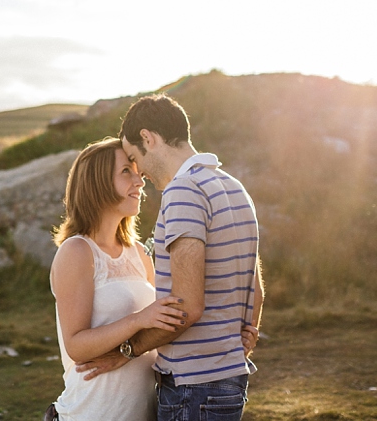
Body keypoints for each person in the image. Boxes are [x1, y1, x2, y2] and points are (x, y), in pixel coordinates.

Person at [76, 94, 264, 421]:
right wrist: (243, 336)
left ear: (148, 138)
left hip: (193, 385)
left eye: (135, 156)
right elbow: (256, 289)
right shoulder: (233, 187)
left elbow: (187, 306)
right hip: (229, 379)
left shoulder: (183, 191)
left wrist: (127, 351)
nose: (140, 172)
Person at [48, 137, 187, 421]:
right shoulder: (77, 251)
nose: (140, 180)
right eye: (127, 171)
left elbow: (160, 325)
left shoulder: (138, 253)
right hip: (91, 412)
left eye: (137, 171)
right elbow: (76, 347)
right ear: (97, 184)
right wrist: (138, 320)